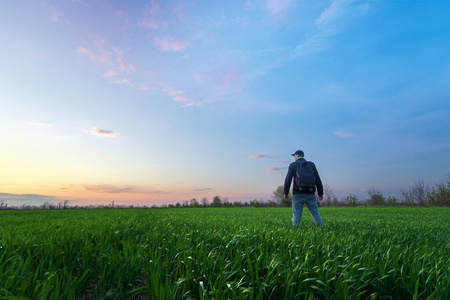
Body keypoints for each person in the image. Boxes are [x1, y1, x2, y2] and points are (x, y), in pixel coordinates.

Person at [284, 150, 324, 226]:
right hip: (310, 193)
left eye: (294, 156)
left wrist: (285, 193)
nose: (294, 158)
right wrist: (320, 193)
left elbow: (288, 180)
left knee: (297, 214)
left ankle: (295, 232)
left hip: (297, 193)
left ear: (297, 156)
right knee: (315, 212)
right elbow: (318, 179)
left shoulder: (293, 165)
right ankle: (321, 228)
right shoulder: (311, 165)